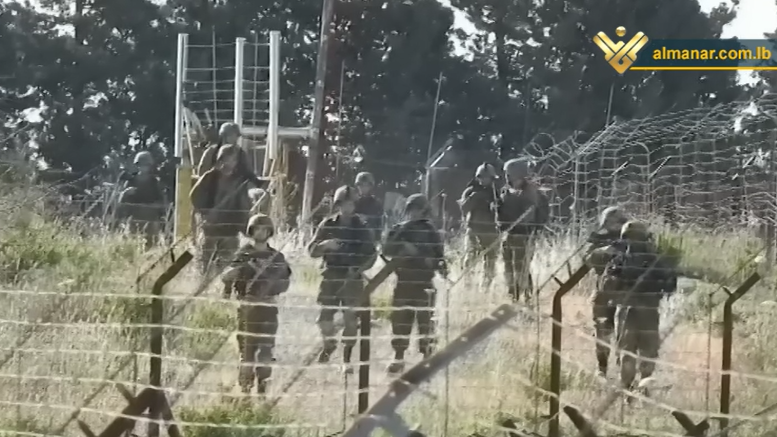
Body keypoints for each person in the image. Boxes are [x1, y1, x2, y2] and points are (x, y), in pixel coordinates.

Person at [308, 185, 377, 371]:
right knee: (324, 320)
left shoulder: (361, 227)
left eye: (351, 204)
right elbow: (312, 250)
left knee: (351, 320)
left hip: (352, 277)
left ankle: (346, 359)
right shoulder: (328, 224)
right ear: (338, 205)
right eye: (344, 204)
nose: (347, 207)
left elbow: (372, 255)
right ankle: (329, 345)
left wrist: (358, 268)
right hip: (331, 275)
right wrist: (325, 245)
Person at [606, 220, 677, 400]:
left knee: (626, 352)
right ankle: (642, 389)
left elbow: (608, 286)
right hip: (648, 310)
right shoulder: (656, 260)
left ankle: (628, 391)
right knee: (647, 352)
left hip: (627, 310)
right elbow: (670, 285)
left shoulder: (620, 259)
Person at [222, 213, 292, 394]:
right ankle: (245, 393)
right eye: (257, 229)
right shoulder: (242, 254)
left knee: (265, 354)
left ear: (269, 232)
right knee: (247, 354)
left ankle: (262, 392)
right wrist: (232, 275)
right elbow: (227, 278)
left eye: (264, 229)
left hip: (268, 309)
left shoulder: (276, 257)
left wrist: (271, 280)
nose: (260, 232)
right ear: (251, 231)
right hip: (247, 309)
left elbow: (285, 283)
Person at [382, 193, 447, 374]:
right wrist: (402, 245)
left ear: (424, 211)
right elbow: (386, 249)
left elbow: (439, 258)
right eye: (411, 210)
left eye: (418, 210)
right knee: (400, 322)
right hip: (404, 283)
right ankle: (398, 357)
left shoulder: (431, 232)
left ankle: (427, 359)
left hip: (424, 284)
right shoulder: (399, 229)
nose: (414, 213)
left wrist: (421, 255)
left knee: (426, 323)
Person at [190, 144, 254, 275]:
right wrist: (205, 212)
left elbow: (243, 206)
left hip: (230, 231)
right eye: (227, 158)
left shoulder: (239, 181)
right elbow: (195, 196)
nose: (230, 162)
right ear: (220, 159)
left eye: (233, 159)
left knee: (226, 267)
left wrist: (245, 226)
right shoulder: (210, 177)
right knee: (205, 267)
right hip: (210, 230)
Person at [585, 206, 632, 377]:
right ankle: (602, 368)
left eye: (616, 222)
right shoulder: (600, 239)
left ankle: (624, 373)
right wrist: (602, 252)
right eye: (610, 222)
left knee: (624, 334)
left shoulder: (632, 239)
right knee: (602, 331)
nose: (613, 226)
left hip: (626, 292)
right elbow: (587, 260)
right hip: (603, 291)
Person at [496, 158, 550, 302]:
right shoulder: (506, 191)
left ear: (518, 174)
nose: (506, 177)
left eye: (509, 174)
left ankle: (527, 296)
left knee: (521, 266)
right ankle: (512, 294)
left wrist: (528, 224)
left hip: (524, 235)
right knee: (508, 266)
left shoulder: (531, 193)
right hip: (508, 234)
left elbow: (534, 215)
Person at [116, 151, 167, 249]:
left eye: (146, 165)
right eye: (141, 165)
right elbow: (121, 203)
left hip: (150, 219)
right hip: (134, 219)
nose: (143, 167)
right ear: (137, 165)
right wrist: (125, 193)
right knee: (132, 245)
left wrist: (153, 207)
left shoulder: (155, 182)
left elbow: (163, 203)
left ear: (150, 166)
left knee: (151, 246)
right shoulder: (131, 181)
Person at [458, 163, 499, 284]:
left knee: (490, 260)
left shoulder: (495, 193)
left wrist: (495, 206)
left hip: (490, 231)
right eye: (482, 177)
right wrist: (474, 198)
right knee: (470, 257)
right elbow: (464, 209)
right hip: (473, 229)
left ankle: (486, 285)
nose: (484, 180)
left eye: (487, 178)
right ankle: (467, 283)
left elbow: (500, 211)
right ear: (478, 177)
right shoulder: (470, 191)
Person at [196, 122, 268, 190]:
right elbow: (202, 172)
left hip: (234, 190)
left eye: (237, 136)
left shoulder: (240, 153)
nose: (236, 139)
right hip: (213, 189)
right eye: (233, 136)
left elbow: (249, 173)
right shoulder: (211, 152)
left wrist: (259, 184)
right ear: (224, 136)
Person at [353, 171, 383, 240]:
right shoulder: (353, 201)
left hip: (369, 237)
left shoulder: (376, 203)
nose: (363, 188)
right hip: (353, 235)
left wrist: (368, 219)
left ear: (370, 187)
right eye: (361, 185)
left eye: (366, 185)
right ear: (357, 186)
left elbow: (380, 223)